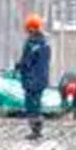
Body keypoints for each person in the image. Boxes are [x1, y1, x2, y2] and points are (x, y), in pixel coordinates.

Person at [14, 13, 51, 141]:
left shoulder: (31, 44)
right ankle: (38, 129)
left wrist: (18, 66)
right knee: (37, 103)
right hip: (42, 79)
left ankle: (35, 130)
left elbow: (27, 62)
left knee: (31, 105)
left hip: (31, 79)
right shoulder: (45, 43)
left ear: (30, 28)